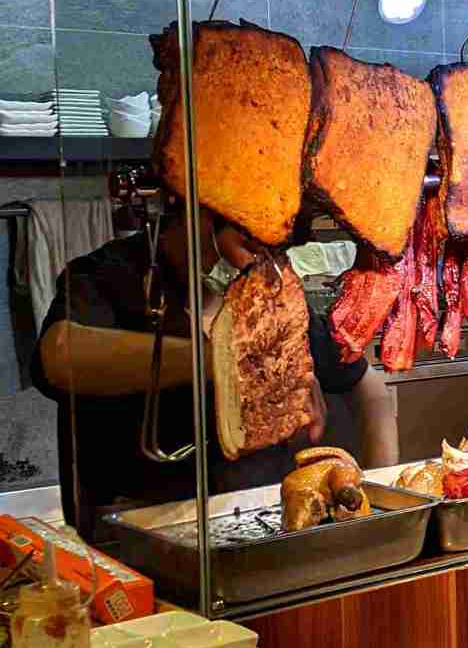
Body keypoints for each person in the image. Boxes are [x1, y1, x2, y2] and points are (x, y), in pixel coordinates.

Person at [31, 205, 398, 542]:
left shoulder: (267, 291)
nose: (264, 259)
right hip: (141, 534)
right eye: (252, 245)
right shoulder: (110, 277)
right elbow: (59, 357)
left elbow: (372, 391)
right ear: (202, 213)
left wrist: (383, 500)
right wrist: (222, 362)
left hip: (263, 524)